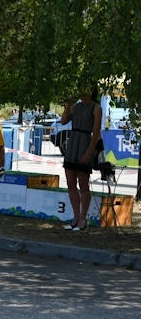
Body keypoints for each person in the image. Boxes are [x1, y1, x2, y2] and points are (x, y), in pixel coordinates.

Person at [60, 84, 102, 231]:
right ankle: (76, 216)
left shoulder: (96, 108)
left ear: (91, 89)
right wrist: (68, 105)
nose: (81, 91)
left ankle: (83, 218)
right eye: (79, 88)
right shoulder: (75, 106)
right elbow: (63, 121)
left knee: (83, 183)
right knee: (70, 182)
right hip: (72, 145)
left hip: (85, 144)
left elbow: (96, 133)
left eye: (84, 88)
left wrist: (88, 153)